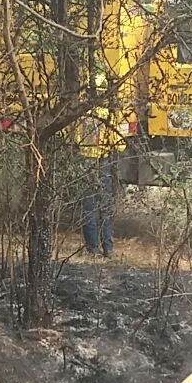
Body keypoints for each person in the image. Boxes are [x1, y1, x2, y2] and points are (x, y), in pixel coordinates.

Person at [79, 77, 122, 257]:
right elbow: (119, 144)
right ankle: (108, 248)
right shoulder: (107, 115)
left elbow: (69, 138)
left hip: (85, 163)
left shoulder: (80, 114)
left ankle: (92, 248)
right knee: (105, 206)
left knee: (88, 208)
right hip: (103, 162)